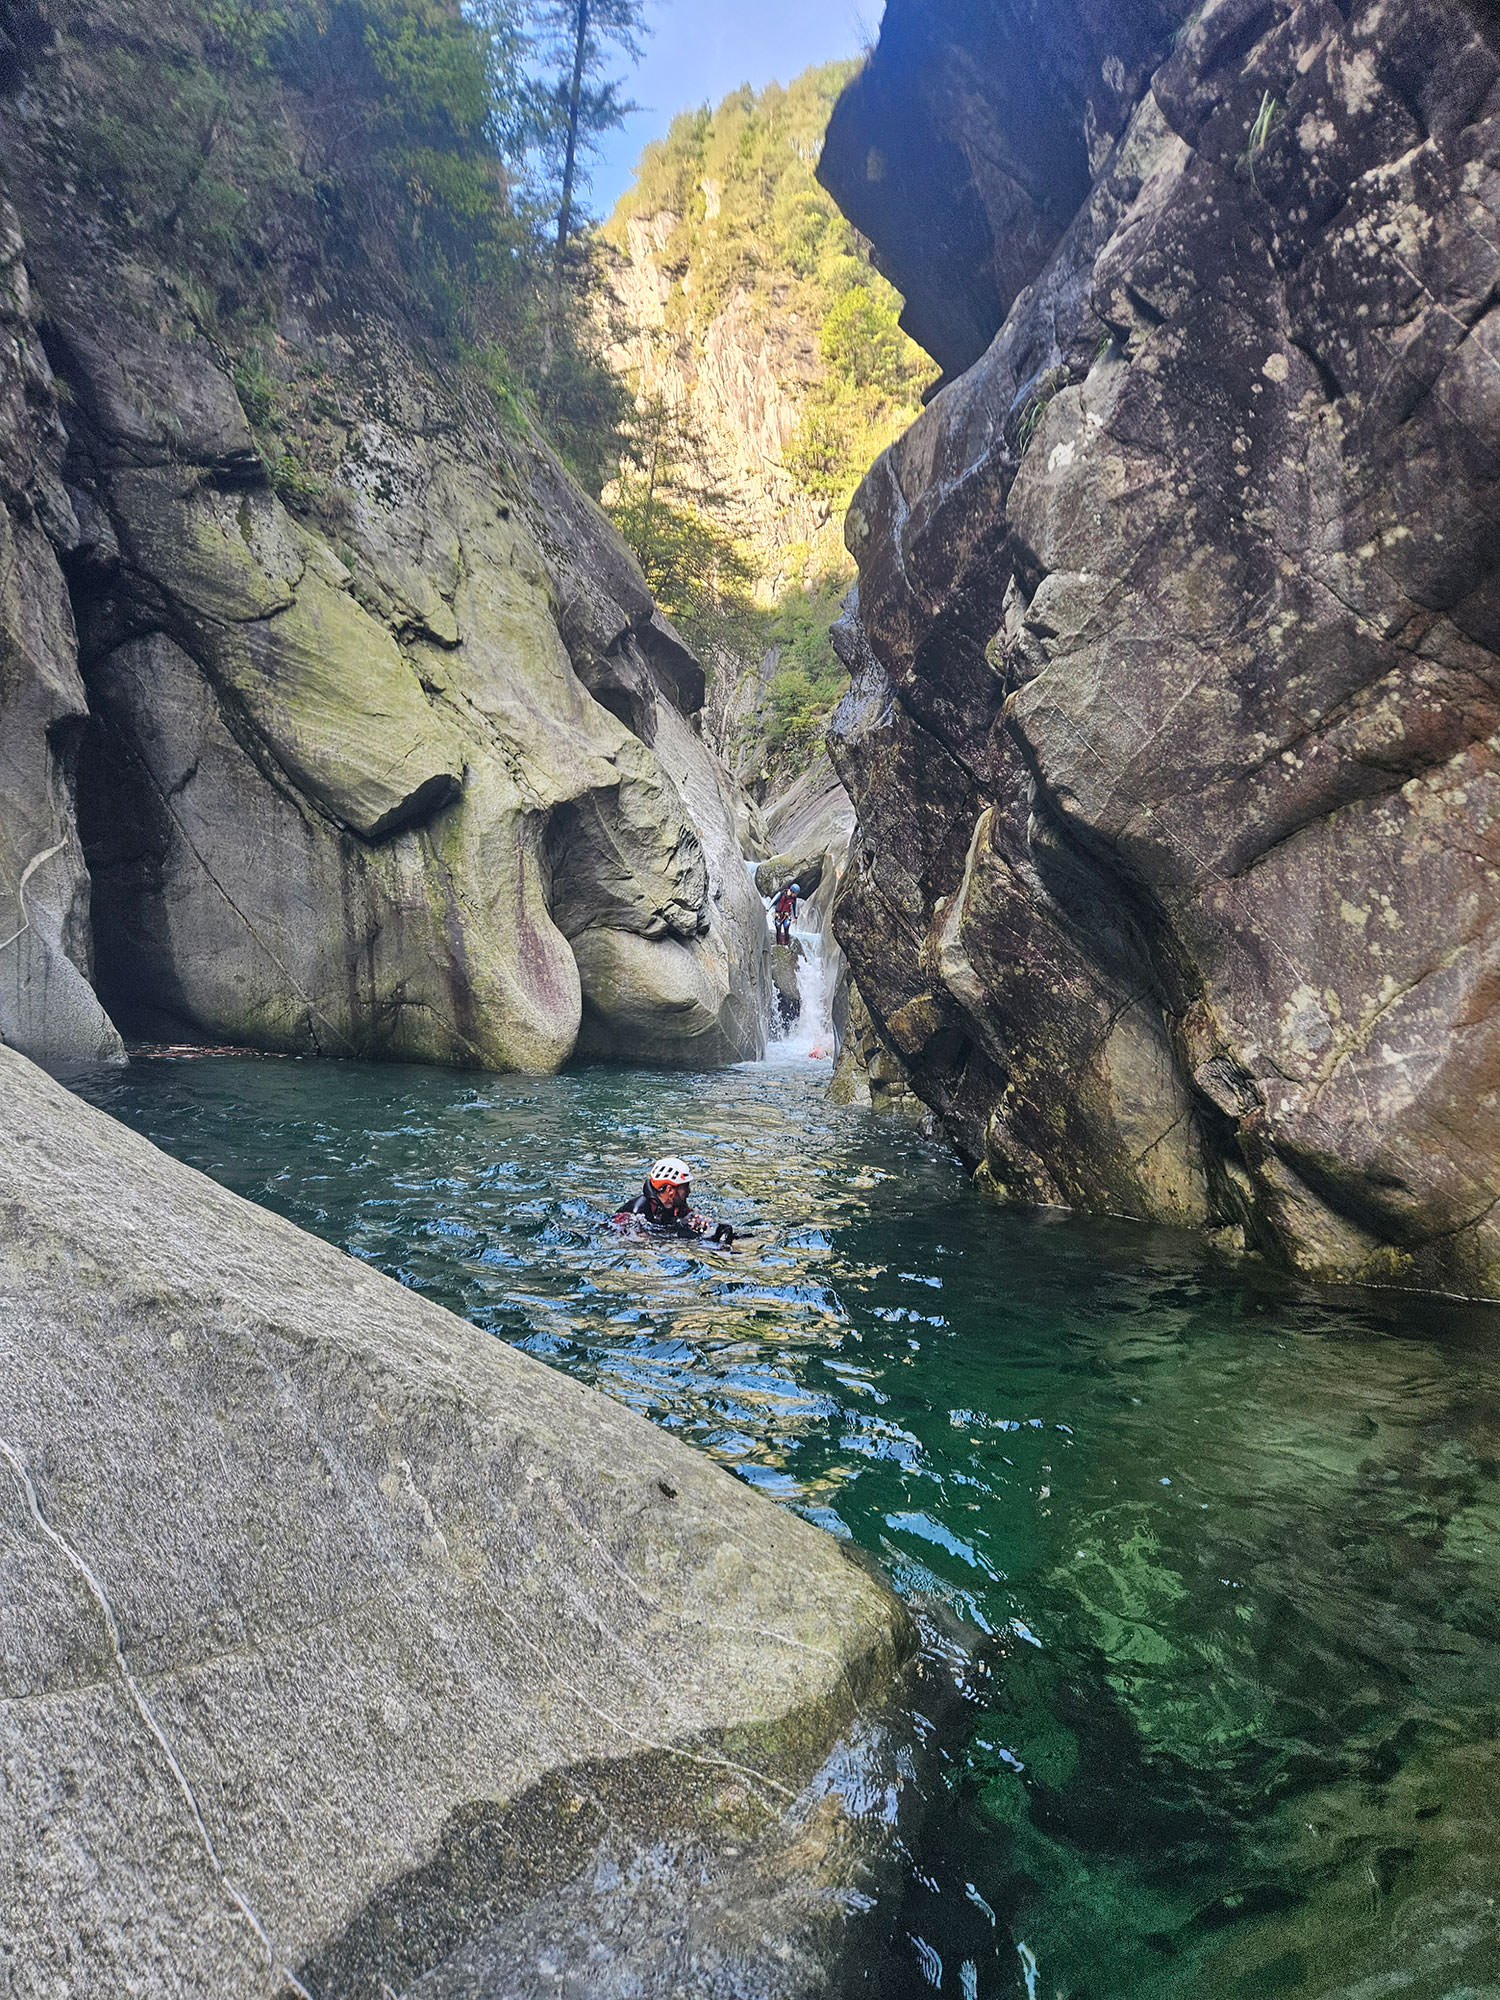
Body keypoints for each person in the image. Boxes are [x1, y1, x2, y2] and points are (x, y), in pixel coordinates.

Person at [612, 1156, 735, 1244]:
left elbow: (689, 1218)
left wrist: (707, 1226)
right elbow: (642, 1243)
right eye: (685, 1188)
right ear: (670, 1190)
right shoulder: (637, 1211)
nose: (688, 1192)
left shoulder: (675, 1205)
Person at [773, 880, 800, 946]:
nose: (795, 895)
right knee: (778, 928)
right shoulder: (781, 894)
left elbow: (794, 907)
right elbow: (773, 900)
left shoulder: (793, 899)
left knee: (786, 927)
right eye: (795, 893)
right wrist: (767, 909)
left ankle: (786, 943)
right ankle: (778, 944)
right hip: (778, 915)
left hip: (786, 915)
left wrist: (795, 917)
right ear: (792, 891)